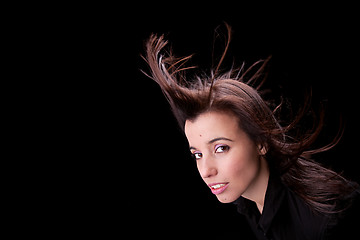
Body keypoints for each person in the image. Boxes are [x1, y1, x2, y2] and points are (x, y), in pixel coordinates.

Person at [142, 24, 360, 239]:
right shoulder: (247, 203)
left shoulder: (325, 221)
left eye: (221, 148)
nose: (206, 171)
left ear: (261, 142)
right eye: (197, 154)